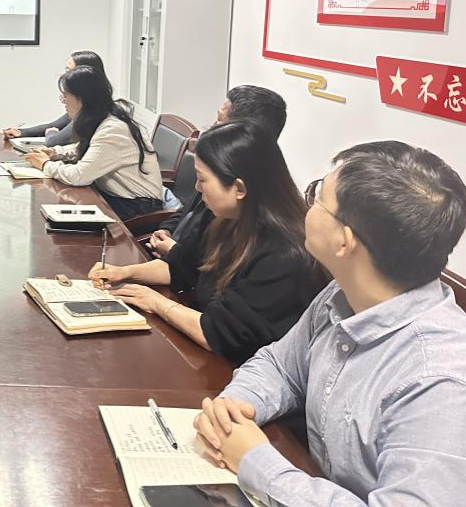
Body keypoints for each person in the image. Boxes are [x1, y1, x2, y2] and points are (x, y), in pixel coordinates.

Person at [194, 141, 466, 505]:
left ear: (343, 242)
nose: (306, 204)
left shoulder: (438, 380)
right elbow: (281, 366)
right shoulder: (342, 293)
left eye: (317, 195)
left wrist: (255, 462)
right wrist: (235, 409)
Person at [89, 120, 326, 363]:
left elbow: (217, 333)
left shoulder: (284, 253)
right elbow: (179, 266)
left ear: (239, 188)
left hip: (240, 368)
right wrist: (124, 272)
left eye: (202, 179)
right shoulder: (225, 217)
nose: (197, 187)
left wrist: (156, 302)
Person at [147, 85, 288, 256]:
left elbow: (203, 264)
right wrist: (167, 230)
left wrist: (174, 253)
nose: (212, 126)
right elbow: (188, 210)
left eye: (219, 121)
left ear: (241, 132)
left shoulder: (236, 203)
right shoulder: (214, 170)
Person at [22, 64, 164, 220]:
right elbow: (91, 148)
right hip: (115, 197)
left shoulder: (113, 130)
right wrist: (55, 152)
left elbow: (78, 176)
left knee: (58, 216)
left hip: (136, 208)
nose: (63, 102)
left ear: (83, 98)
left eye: (66, 96)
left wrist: (45, 164)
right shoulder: (103, 118)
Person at [2, 50, 104, 146]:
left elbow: (53, 141)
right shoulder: (86, 103)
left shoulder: (93, 110)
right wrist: (21, 132)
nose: (64, 75)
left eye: (69, 71)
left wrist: (51, 132)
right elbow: (54, 125)